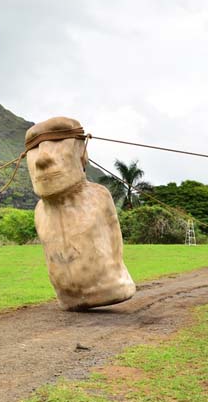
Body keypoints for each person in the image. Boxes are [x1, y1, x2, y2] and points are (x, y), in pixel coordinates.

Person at [24, 116, 136, 310]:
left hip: (111, 288)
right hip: (66, 298)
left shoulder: (99, 196)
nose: (42, 159)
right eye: (34, 148)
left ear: (81, 151)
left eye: (58, 142)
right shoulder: (40, 211)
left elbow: (114, 244)